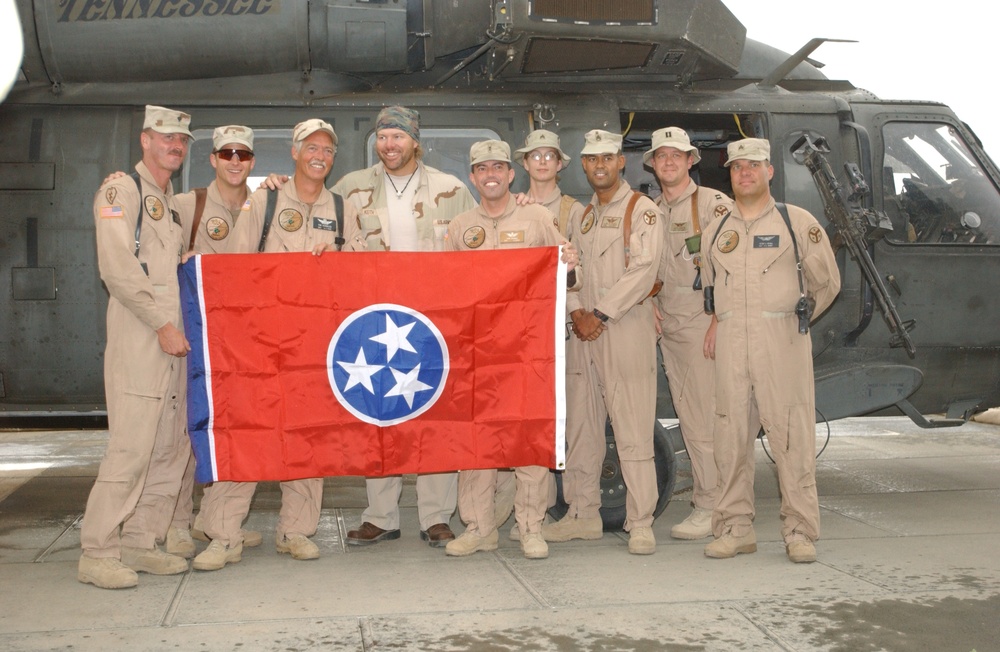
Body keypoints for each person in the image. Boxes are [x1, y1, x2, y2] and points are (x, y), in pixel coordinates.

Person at [197, 118, 351, 569]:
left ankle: (296, 530)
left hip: (315, 345)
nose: (319, 155)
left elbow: (365, 269)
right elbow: (237, 269)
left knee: (307, 438)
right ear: (295, 151)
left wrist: (341, 260)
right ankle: (223, 535)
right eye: (311, 147)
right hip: (261, 343)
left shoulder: (342, 208)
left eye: (327, 148)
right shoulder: (263, 200)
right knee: (245, 434)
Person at [335, 106, 475, 548]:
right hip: (374, 321)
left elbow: (479, 246)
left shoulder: (451, 190)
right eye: (382, 137)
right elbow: (314, 216)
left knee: (435, 415)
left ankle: (435, 515)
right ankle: (381, 515)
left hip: (433, 323)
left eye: (398, 136)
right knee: (380, 413)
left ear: (416, 140)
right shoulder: (351, 188)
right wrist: (277, 187)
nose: (389, 145)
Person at [701, 138, 840, 563]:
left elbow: (827, 283)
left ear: (769, 172)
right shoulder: (716, 229)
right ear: (730, 173)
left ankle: (799, 532)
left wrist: (790, 319)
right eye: (738, 167)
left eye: (754, 166)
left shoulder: (796, 222)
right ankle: (735, 527)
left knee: (792, 436)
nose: (745, 173)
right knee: (729, 435)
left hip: (781, 340)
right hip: (731, 342)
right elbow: (710, 286)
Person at [442, 139, 578, 560]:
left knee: (528, 437)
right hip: (478, 353)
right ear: (472, 177)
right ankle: (479, 527)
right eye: (482, 169)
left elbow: (567, 274)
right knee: (477, 441)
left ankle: (530, 526)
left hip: (528, 350)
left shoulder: (537, 218)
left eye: (498, 167)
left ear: (511, 173)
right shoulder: (460, 227)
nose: (491, 175)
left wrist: (569, 264)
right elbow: (443, 289)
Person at [78, 105, 194, 589]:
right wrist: (161, 323)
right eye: (166, 137)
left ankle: (140, 544)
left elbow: (167, 267)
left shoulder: (167, 202)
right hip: (142, 339)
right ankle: (97, 552)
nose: (175, 146)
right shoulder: (120, 190)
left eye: (183, 140)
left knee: (168, 448)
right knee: (130, 450)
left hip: (173, 346)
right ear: (145, 139)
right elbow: (117, 267)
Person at [545, 129, 664, 555]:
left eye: (607, 158)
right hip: (582, 331)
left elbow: (644, 272)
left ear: (620, 163)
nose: (599, 166)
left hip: (624, 329)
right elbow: (568, 266)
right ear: (583, 165)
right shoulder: (581, 215)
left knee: (631, 428)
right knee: (581, 427)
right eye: (591, 159)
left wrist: (599, 313)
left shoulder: (642, 210)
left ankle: (641, 521)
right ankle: (582, 514)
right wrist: (576, 309)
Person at [646, 127, 733, 540]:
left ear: (690, 160)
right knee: (689, 413)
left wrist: (719, 320)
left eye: (676, 155)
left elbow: (734, 266)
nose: (669, 162)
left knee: (702, 419)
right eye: (661, 155)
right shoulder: (652, 210)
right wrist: (648, 304)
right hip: (669, 325)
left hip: (701, 324)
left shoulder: (713, 206)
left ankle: (711, 505)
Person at [507, 128, 585, 541]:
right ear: (523, 164)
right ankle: (506, 513)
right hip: (515, 334)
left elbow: (574, 268)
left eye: (548, 156)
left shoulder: (573, 210)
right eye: (533, 156)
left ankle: (545, 511)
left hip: (558, 329)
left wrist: (573, 314)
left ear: (559, 163)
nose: (541, 162)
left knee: (556, 420)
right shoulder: (511, 205)